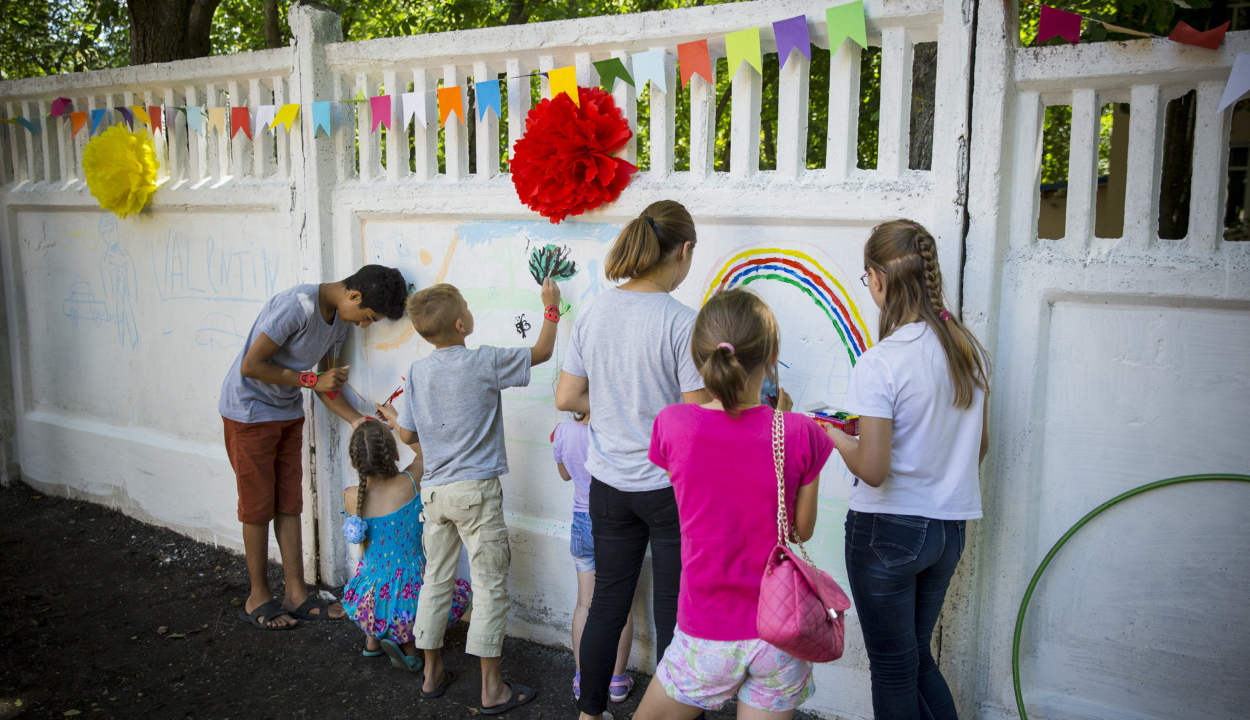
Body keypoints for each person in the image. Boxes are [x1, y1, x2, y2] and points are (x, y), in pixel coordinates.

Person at [635, 289, 833, 720]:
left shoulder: (672, 425)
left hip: (706, 630)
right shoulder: (802, 433)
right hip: (780, 630)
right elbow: (800, 531)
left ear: (699, 355)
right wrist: (781, 421)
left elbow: (698, 493)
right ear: (773, 353)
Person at [827, 220, 990, 720]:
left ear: (878, 278)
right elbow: (978, 447)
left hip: (888, 532)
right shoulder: (965, 351)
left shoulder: (882, 363)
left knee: (895, 671)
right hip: (948, 530)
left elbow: (873, 470)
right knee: (917, 662)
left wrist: (830, 433)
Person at [555, 200, 710, 720]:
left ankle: (589, 712)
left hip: (608, 487)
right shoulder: (682, 323)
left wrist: (616, 405)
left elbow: (567, 397)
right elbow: (696, 418)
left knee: (606, 604)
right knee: (674, 612)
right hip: (670, 490)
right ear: (683, 251)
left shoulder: (595, 311)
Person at [377, 278, 561, 714]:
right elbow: (542, 353)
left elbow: (406, 432)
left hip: (435, 493)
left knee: (435, 580)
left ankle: (431, 674)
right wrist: (551, 308)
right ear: (462, 324)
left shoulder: (419, 371)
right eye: (467, 306)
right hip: (476, 493)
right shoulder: (484, 362)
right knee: (490, 584)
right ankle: (492, 688)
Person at [222, 265, 408, 630]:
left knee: (289, 503)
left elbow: (327, 387)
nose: (366, 325)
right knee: (258, 507)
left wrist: (358, 420)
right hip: (248, 411)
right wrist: (311, 379)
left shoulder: (340, 320)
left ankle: (296, 594)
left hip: (287, 412)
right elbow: (252, 365)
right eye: (368, 317)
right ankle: (257, 595)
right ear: (354, 296)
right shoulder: (298, 305)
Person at [341, 419, 470, 670]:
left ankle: (373, 642)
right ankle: (409, 650)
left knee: (377, 582)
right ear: (394, 453)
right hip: (410, 587)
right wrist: (399, 420)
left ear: (354, 462)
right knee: (411, 602)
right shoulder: (409, 483)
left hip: (367, 596)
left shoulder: (349, 495)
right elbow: (426, 453)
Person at [553, 411, 636, 704]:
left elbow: (564, 474)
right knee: (619, 606)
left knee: (585, 603)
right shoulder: (615, 426)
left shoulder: (563, 430)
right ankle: (616, 680)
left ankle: (583, 678)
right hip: (614, 521)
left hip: (580, 520)